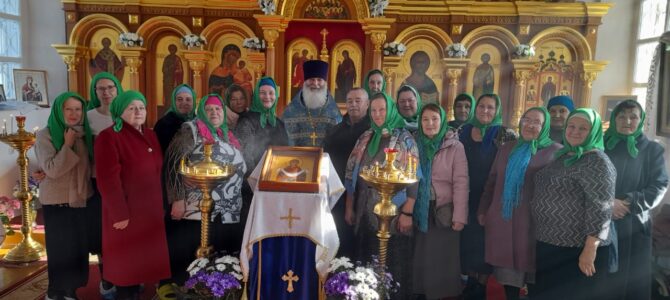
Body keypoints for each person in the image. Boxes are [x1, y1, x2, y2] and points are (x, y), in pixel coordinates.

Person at [477, 107, 562, 300]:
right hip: (503, 221)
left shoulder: (556, 152)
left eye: (537, 122)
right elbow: (491, 182)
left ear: (545, 126)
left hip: (534, 225)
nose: (530, 125)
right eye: (526, 120)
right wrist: (484, 210)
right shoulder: (507, 148)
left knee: (537, 277)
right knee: (508, 278)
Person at [532, 108, 616, 300]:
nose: (575, 131)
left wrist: (590, 249)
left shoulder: (597, 161)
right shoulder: (564, 154)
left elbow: (601, 209)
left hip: (577, 249)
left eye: (583, 128)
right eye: (571, 126)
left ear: (594, 131)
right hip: (551, 242)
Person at [163, 94, 247, 287]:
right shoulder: (190, 131)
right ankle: (189, 290)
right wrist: (177, 199)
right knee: (193, 255)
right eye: (209, 109)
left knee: (219, 255)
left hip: (226, 209)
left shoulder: (226, 134)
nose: (214, 113)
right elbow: (172, 163)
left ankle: (217, 290)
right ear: (201, 112)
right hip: (196, 208)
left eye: (218, 109)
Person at [95, 90, 170, 300]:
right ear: (120, 111)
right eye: (131, 108)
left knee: (141, 266)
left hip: (150, 213)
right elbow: (108, 181)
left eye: (141, 107)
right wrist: (119, 214)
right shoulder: (109, 137)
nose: (138, 112)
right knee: (126, 269)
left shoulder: (150, 135)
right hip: (126, 215)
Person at [344, 93, 418, 299]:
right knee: (366, 259)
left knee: (393, 263)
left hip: (394, 213)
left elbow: (415, 178)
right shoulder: (365, 137)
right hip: (365, 211)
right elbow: (351, 175)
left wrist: (407, 213)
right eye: (374, 110)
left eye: (382, 109)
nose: (377, 114)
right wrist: (349, 207)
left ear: (391, 110)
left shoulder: (404, 139)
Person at [604, 100, 668, 300]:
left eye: (633, 116)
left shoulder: (652, 150)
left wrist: (628, 203)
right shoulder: (602, 145)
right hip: (602, 221)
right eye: (621, 116)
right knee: (603, 281)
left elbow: (659, 186)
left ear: (640, 120)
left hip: (634, 224)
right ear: (614, 120)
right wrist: (607, 204)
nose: (627, 121)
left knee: (632, 283)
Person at [35, 92, 94, 300]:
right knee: (60, 250)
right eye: (68, 109)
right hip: (57, 201)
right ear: (59, 111)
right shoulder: (46, 135)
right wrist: (67, 145)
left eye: (78, 109)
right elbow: (51, 170)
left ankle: (71, 290)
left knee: (78, 249)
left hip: (80, 199)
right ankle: (55, 291)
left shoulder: (84, 133)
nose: (73, 113)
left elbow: (91, 166)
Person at [458, 93, 516, 300]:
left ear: (497, 110)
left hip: (490, 198)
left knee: (485, 242)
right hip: (464, 196)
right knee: (466, 242)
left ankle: (481, 286)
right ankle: (469, 283)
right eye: (481, 106)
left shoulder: (505, 134)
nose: (485, 111)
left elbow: (513, 166)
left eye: (490, 107)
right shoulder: (463, 131)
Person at [413, 103, 468, 300]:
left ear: (443, 121)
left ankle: (439, 295)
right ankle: (420, 292)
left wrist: (459, 216)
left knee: (441, 258)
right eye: (425, 119)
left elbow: (461, 182)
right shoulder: (412, 143)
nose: (430, 123)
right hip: (418, 207)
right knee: (420, 256)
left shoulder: (454, 146)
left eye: (435, 119)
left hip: (443, 210)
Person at [86, 71, 123, 299]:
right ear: (95, 92)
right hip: (97, 182)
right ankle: (107, 281)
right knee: (102, 234)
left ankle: (126, 276)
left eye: (110, 87)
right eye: (101, 88)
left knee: (123, 232)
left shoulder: (126, 112)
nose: (106, 92)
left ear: (117, 89)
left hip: (123, 183)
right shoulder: (88, 117)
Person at [323, 87, 371, 258]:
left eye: (358, 101)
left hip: (363, 194)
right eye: (350, 101)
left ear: (367, 104)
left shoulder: (372, 131)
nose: (353, 105)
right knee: (338, 236)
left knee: (361, 241)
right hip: (337, 193)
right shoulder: (335, 131)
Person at [235, 77, 289, 175]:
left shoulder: (279, 123)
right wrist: (257, 178)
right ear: (256, 95)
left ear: (276, 95)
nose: (267, 96)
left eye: (271, 93)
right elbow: (244, 155)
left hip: (277, 177)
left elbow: (286, 151)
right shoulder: (246, 120)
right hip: (253, 181)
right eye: (263, 93)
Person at [283, 60, 342, 147]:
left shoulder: (334, 112)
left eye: (319, 80)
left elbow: (338, 141)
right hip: (299, 157)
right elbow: (285, 139)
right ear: (305, 82)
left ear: (325, 82)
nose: (315, 83)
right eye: (311, 79)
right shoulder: (292, 110)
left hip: (325, 157)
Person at [154, 84, 196, 153]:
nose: (184, 103)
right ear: (174, 101)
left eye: (188, 99)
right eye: (179, 99)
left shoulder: (199, 123)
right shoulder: (163, 124)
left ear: (193, 102)